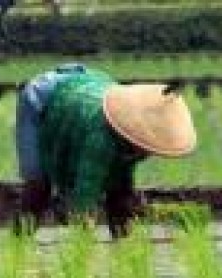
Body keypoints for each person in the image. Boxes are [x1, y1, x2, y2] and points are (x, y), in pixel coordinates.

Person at [16, 63, 197, 238]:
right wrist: (83, 228)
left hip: (88, 87)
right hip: (43, 97)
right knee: (38, 186)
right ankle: (19, 242)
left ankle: (122, 243)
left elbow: (121, 182)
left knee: (119, 190)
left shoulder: (133, 137)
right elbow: (86, 188)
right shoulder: (101, 138)